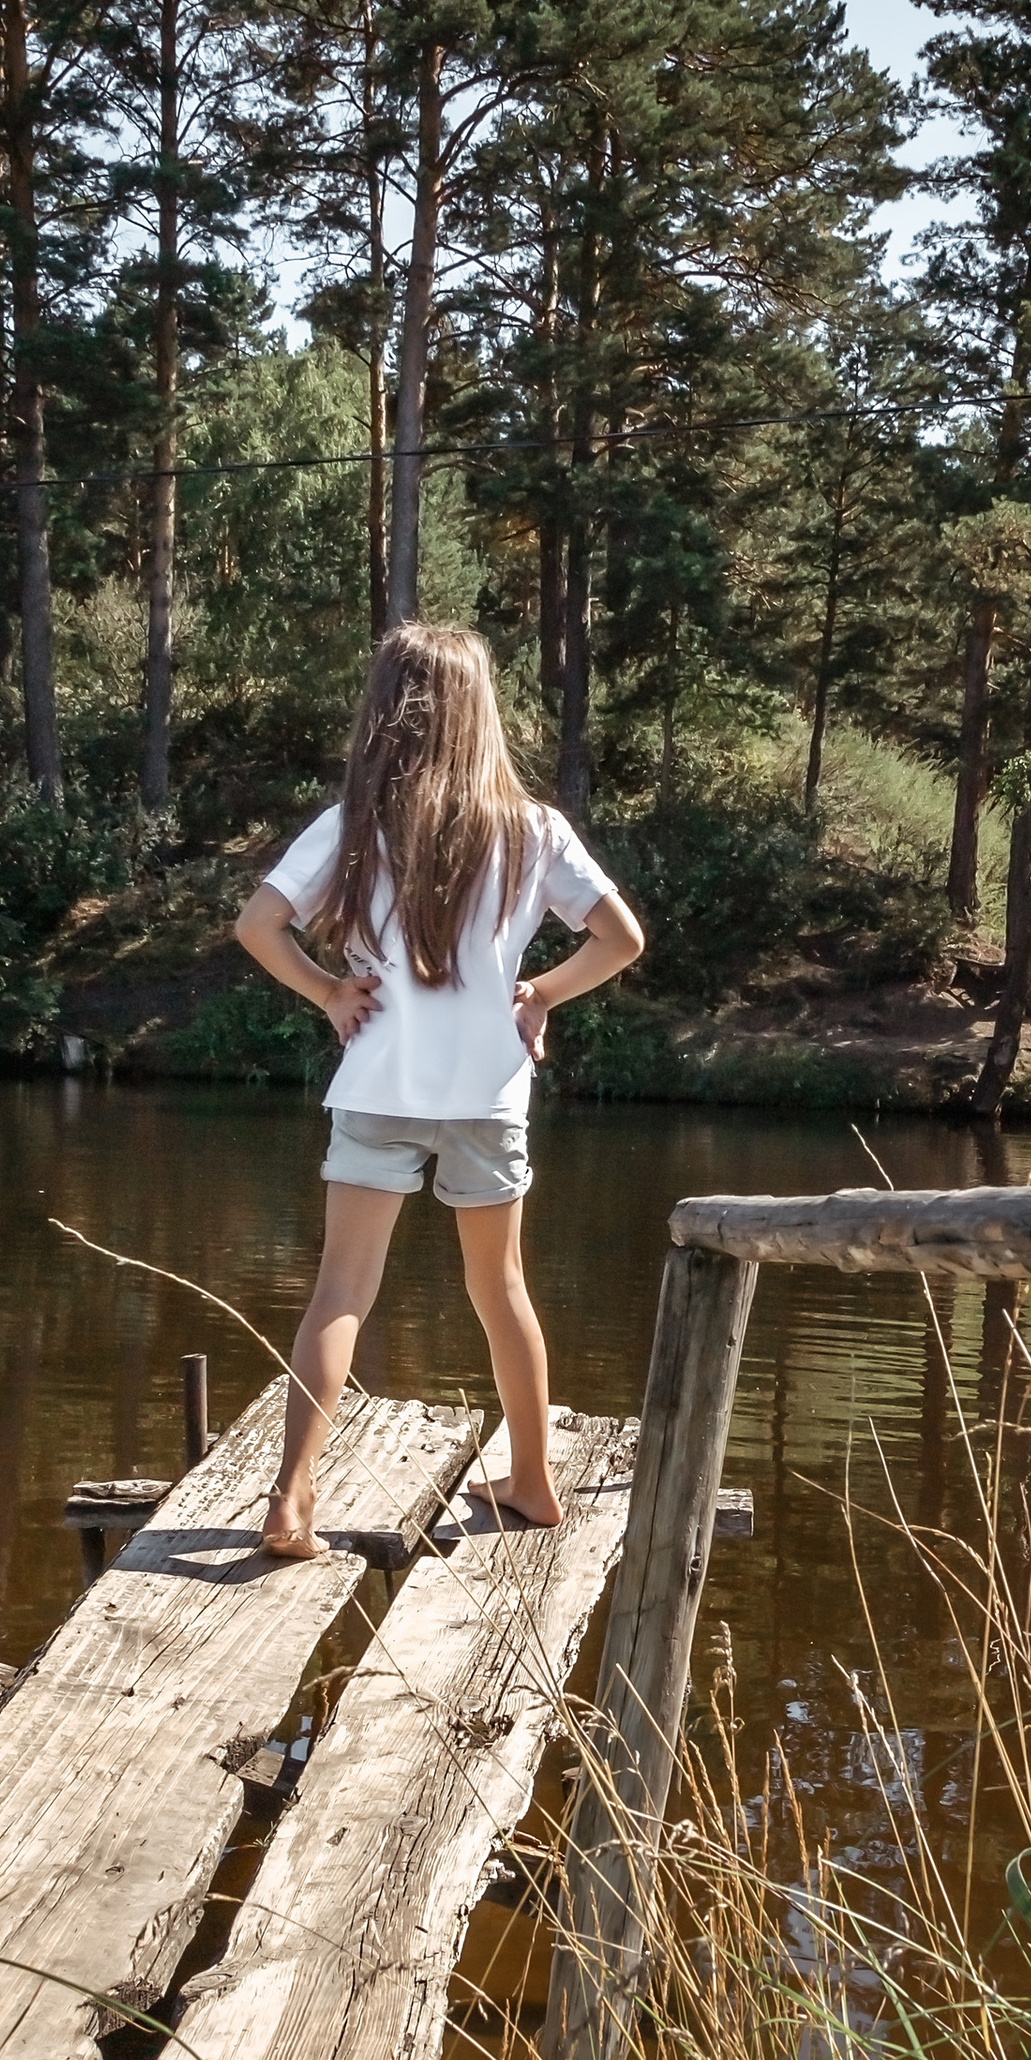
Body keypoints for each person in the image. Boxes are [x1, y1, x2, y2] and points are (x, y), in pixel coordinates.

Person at [233, 623, 645, 1559]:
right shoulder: (532, 829)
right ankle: (534, 1483)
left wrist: (329, 992)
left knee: (340, 1290)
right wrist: (538, 994)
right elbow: (620, 941)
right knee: (501, 1289)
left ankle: (291, 1504)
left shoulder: (353, 825)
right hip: (487, 1099)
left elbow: (258, 924)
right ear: (480, 714)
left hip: (377, 1084)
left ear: (385, 713)